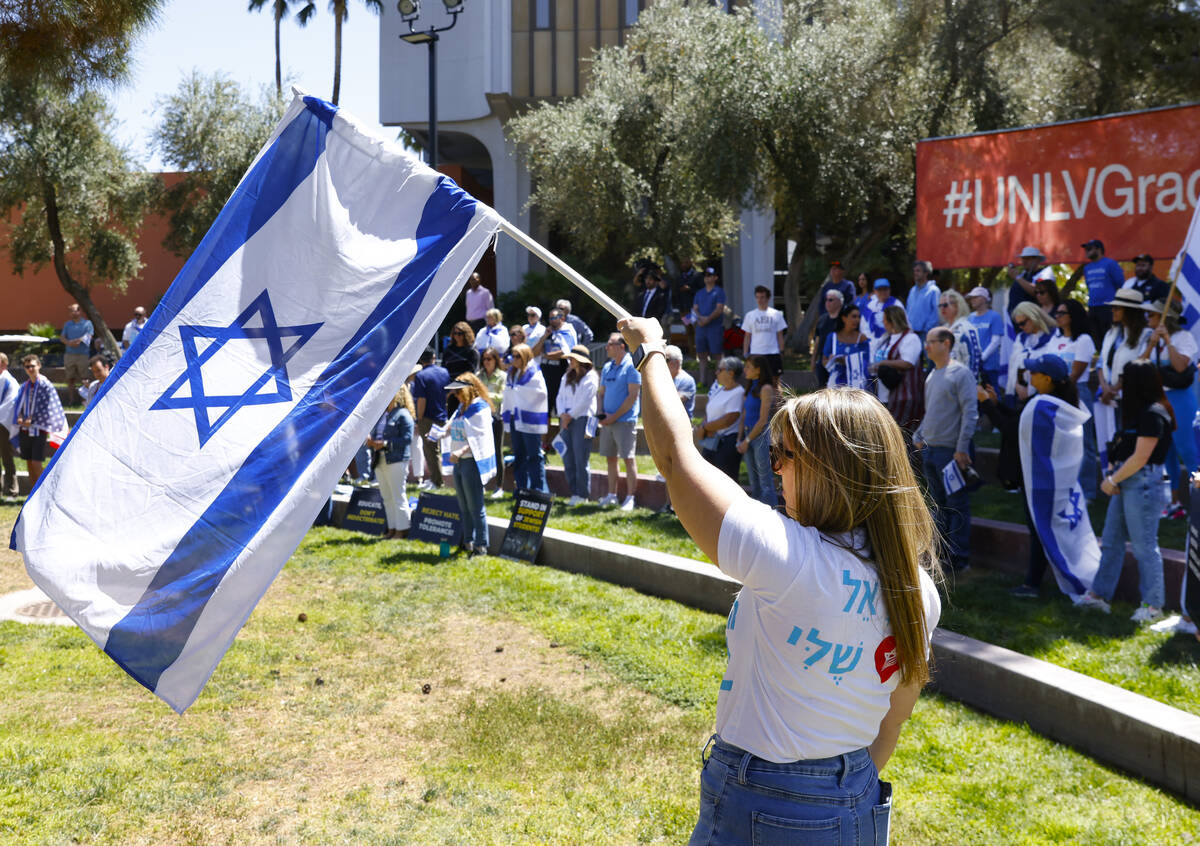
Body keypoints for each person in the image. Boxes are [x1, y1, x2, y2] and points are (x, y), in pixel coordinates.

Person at [617, 315, 941, 846]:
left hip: (763, 799)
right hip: (855, 797)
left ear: (828, 470)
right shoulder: (916, 588)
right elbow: (893, 720)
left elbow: (675, 461)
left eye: (782, 455)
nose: (775, 470)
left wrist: (650, 351)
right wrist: (831, 788)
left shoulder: (790, 558)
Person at [1079, 360, 1174, 622]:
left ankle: (1153, 605)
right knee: (1111, 541)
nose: (1120, 386)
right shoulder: (1140, 411)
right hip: (1127, 479)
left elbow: (1141, 457)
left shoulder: (1154, 413)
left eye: (1125, 380)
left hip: (1141, 482)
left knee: (1144, 546)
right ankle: (1099, 596)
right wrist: (1115, 475)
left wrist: (1112, 480)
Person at [1006, 355, 1100, 600]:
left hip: (1041, 484)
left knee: (1040, 530)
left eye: (1035, 373)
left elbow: (1011, 427)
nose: (1030, 375)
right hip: (1061, 483)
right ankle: (1033, 581)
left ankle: (1032, 584)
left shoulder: (1041, 407)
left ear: (1047, 378)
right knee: (1044, 531)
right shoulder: (1065, 404)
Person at [914, 327, 978, 572]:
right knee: (938, 505)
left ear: (946, 343)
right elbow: (931, 413)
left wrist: (961, 448)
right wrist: (919, 436)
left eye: (931, 342)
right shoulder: (932, 375)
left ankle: (959, 557)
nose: (927, 346)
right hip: (931, 449)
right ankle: (941, 555)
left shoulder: (961, 374)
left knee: (956, 505)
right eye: (926, 342)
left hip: (950, 452)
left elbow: (970, 413)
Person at [1140, 299, 1197, 518]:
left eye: (1153, 315)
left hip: (1180, 399)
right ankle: (1175, 503)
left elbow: (1180, 365)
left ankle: (1197, 501)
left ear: (1166, 318)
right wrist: (1152, 344)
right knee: (1167, 454)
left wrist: (1167, 341)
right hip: (1158, 399)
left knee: (1189, 451)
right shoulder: (1149, 337)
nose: (1149, 319)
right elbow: (1140, 365)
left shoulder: (1184, 337)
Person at [1096, 289, 1151, 467]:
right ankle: (1113, 478)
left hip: (1132, 399)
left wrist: (1117, 387)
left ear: (1129, 311)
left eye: (1117, 308)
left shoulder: (1146, 335)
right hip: (1109, 398)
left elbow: (1140, 363)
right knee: (1112, 441)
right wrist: (1105, 387)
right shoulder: (1111, 333)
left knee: (1129, 440)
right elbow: (1101, 363)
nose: (1113, 311)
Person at [445, 373, 498, 555]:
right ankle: (467, 541)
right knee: (463, 505)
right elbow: (453, 427)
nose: (457, 396)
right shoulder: (461, 407)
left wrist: (460, 451)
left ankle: (481, 545)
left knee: (475, 506)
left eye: (459, 392)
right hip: (459, 463)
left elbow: (479, 437)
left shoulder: (480, 407)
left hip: (471, 462)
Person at [1053, 299, 1100, 501]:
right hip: (1056, 393)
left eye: (1061, 313)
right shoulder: (1054, 340)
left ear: (1073, 316)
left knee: (1085, 443)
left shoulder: (1084, 340)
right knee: (1062, 443)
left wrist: (1058, 387)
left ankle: (1088, 491)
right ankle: (1066, 487)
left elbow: (1076, 372)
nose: (1057, 316)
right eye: (1057, 313)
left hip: (1077, 392)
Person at [596, 333, 641, 511]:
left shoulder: (632, 367)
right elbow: (601, 392)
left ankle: (630, 498)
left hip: (624, 421)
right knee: (610, 459)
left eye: (610, 344)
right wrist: (600, 413)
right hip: (607, 421)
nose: (607, 347)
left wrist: (612, 417)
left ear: (622, 346)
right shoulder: (607, 367)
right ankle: (612, 495)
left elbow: (632, 396)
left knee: (628, 459)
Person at [368, 385, 416, 539]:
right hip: (380, 459)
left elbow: (407, 438)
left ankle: (401, 531)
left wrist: (386, 443)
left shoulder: (403, 414)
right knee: (387, 497)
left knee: (397, 496)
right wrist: (370, 441)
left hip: (396, 459)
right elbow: (376, 434)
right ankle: (392, 529)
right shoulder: (383, 414)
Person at [12, 354, 66, 489]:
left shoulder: (45, 385)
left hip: (39, 429)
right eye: (27, 366)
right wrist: (19, 417)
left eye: (32, 366)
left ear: (39, 366)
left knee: (36, 462)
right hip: (25, 429)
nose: (30, 369)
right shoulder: (24, 386)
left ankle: (43, 491)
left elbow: (48, 406)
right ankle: (32, 493)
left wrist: (33, 419)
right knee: (29, 462)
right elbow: (18, 404)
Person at [502, 343, 549, 494]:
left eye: (517, 356)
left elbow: (540, 393)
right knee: (519, 455)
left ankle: (536, 490)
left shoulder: (534, 372)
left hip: (530, 420)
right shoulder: (511, 372)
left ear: (525, 357)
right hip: (515, 418)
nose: (513, 359)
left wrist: (518, 391)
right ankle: (521, 489)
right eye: (512, 356)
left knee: (534, 455)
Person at [556, 345, 599, 506]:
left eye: (572, 358)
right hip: (566, 419)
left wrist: (569, 416)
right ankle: (574, 491)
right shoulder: (567, 375)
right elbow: (560, 396)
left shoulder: (591, 376)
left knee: (581, 458)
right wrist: (562, 415)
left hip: (583, 419)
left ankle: (582, 494)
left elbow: (585, 400)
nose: (569, 360)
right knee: (567, 456)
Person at [871, 305, 923, 435]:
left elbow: (907, 363)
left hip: (904, 395)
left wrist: (883, 363)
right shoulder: (885, 338)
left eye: (885, 320)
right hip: (883, 394)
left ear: (892, 320)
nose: (883, 322)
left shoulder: (911, 338)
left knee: (901, 435)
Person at [737, 356, 777, 506]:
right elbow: (745, 414)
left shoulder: (766, 389)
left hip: (760, 437)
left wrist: (747, 441)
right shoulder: (750, 387)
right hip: (748, 435)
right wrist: (740, 438)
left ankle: (772, 512)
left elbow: (762, 420)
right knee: (754, 481)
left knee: (765, 480)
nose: (745, 370)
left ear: (758, 370)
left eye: (748, 367)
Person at [697, 356, 745, 481]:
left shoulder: (738, 392)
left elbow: (729, 419)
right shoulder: (719, 389)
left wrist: (705, 427)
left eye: (720, 369)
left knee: (725, 480)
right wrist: (704, 427)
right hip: (712, 441)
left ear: (731, 373)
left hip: (726, 443)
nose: (716, 372)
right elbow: (709, 410)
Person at [1063, 238, 1124, 335]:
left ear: (1099, 249)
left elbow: (1120, 283)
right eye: (1086, 249)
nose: (1086, 251)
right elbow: (1089, 286)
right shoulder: (1087, 268)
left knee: (1110, 335)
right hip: (1093, 307)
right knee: (1096, 336)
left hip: (1108, 307)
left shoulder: (1110, 264)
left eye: (1089, 248)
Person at [411, 348, 450, 490]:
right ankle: (434, 478)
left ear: (421, 360)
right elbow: (448, 392)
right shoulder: (444, 372)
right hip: (441, 415)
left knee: (431, 450)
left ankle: (437, 482)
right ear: (434, 357)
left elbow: (421, 399)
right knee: (433, 450)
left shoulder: (421, 376)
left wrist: (419, 418)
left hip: (427, 417)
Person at [1006, 303, 1055, 401]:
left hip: (1045, 392)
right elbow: (1013, 364)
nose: (1020, 327)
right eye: (1018, 324)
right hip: (1020, 392)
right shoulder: (1021, 338)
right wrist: (1016, 386)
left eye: (1022, 323)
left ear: (1034, 317)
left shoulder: (1054, 336)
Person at [477, 347, 508, 497]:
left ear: (496, 360)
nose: (486, 362)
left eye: (489, 359)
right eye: (484, 359)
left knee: (497, 451)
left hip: (496, 418)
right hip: (480, 419)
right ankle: (481, 484)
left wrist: (483, 394)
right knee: (479, 450)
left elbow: (502, 397)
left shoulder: (502, 376)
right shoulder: (479, 375)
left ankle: (499, 486)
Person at [535, 307, 577, 415]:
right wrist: (544, 336)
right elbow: (535, 352)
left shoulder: (568, 331)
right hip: (545, 373)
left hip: (560, 372)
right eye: (550, 318)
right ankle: (546, 432)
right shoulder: (548, 332)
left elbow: (565, 352)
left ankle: (561, 431)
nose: (552, 320)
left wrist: (547, 356)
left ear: (562, 318)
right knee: (545, 409)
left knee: (560, 408)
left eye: (554, 317)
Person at [742, 285, 787, 377]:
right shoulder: (750, 315)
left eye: (762, 297)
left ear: (768, 298)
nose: (760, 300)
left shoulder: (776, 314)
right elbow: (747, 336)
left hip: (772, 352)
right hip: (756, 352)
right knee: (755, 379)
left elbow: (780, 335)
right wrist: (745, 352)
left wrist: (781, 351)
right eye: (757, 297)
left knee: (775, 379)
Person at [823, 303, 871, 389]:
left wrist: (847, 361)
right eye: (854, 316)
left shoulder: (862, 338)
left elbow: (866, 362)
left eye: (858, 317)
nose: (857, 320)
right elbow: (824, 360)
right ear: (844, 318)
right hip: (836, 383)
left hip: (857, 383)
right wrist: (831, 361)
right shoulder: (833, 337)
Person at [692, 266, 727, 386]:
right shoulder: (699, 293)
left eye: (710, 275)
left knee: (717, 354)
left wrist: (708, 319)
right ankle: (702, 381)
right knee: (702, 355)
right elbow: (695, 309)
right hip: (701, 328)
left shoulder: (719, 291)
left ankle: (720, 381)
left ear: (715, 277)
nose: (707, 278)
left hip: (715, 328)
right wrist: (701, 319)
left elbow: (719, 308)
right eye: (706, 275)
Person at [966, 286, 1004, 390]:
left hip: (989, 365)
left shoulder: (994, 316)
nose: (972, 300)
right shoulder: (970, 317)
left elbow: (996, 341)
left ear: (984, 299)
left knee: (992, 391)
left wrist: (982, 357)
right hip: (974, 365)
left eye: (975, 297)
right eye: (971, 298)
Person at [938, 289, 982, 378]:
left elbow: (974, 358)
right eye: (940, 305)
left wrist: (970, 384)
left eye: (946, 305)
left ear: (957, 306)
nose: (942, 308)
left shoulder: (967, 328)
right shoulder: (942, 329)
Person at [59, 303, 93, 401]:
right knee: (70, 379)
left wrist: (78, 341)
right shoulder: (67, 324)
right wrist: (69, 343)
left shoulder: (87, 323)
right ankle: (71, 400)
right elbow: (62, 337)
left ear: (80, 311)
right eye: (71, 311)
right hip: (69, 355)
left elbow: (89, 336)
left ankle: (86, 400)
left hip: (83, 355)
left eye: (75, 310)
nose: (73, 312)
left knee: (85, 378)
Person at [812, 289, 844, 387]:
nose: (827, 303)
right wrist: (813, 359)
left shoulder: (844, 319)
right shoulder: (822, 319)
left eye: (831, 300)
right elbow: (817, 339)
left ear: (840, 301)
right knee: (822, 389)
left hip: (838, 360)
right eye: (826, 300)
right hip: (822, 359)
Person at [1005, 246, 1044, 317]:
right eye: (1023, 258)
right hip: (1014, 316)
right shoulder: (1022, 275)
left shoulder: (1043, 274)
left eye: (1028, 258)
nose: (1024, 261)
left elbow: (1037, 292)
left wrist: (1017, 277)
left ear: (1037, 260)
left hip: (1029, 317)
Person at [906, 260, 941, 339]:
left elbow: (936, 313)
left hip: (926, 334)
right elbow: (908, 309)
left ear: (926, 273)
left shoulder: (933, 291)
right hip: (911, 333)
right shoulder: (912, 290)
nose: (915, 273)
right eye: (914, 271)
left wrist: (926, 329)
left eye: (918, 271)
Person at [0, 354, 18, 496]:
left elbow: (10, 402)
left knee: (7, 457)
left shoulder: (8, 380)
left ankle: (12, 490)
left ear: (4, 364)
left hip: (3, 424)